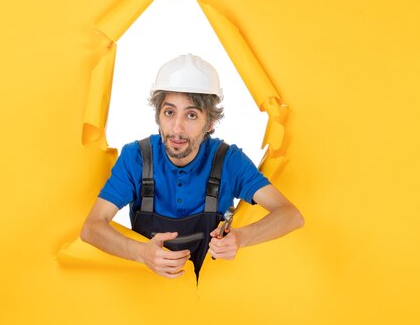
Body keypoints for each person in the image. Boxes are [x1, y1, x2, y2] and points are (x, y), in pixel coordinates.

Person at [81, 54, 304, 280]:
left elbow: (290, 215)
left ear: (209, 122)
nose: (177, 128)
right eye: (169, 112)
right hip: (145, 297)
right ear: (158, 115)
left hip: (209, 298)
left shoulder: (228, 160)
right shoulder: (136, 158)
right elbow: (92, 228)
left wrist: (240, 237)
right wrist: (140, 253)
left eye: (191, 115)